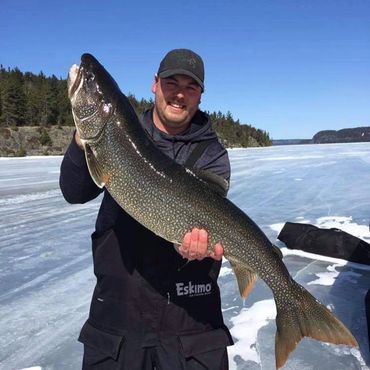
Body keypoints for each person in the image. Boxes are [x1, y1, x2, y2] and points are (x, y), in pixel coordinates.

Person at [60, 48, 233, 370]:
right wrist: (82, 141)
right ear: (155, 84)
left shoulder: (212, 154)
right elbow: (75, 192)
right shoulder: (121, 132)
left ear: (200, 95)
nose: (179, 94)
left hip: (190, 314)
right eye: (171, 83)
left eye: (190, 87)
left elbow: (216, 220)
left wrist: (203, 245)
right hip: (118, 311)